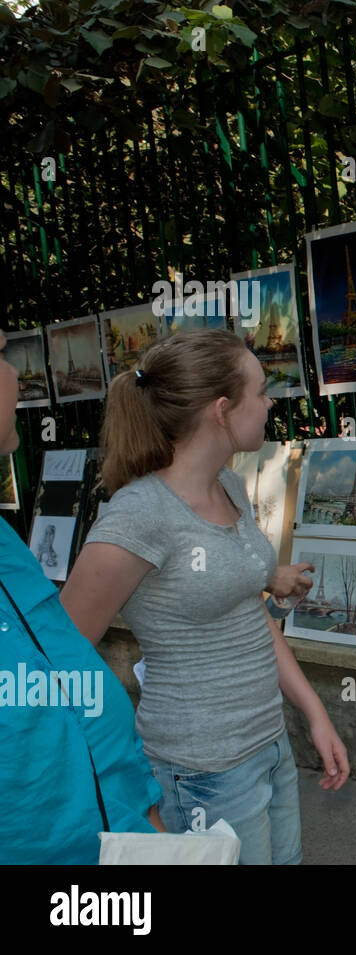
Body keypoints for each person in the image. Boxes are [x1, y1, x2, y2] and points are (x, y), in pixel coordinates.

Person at [61, 329, 349, 865]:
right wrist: (126, 780)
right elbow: (61, 659)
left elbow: (247, 618)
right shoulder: (139, 514)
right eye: (261, 392)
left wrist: (314, 714)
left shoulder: (229, 485)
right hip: (200, 770)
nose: (269, 404)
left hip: (267, 745)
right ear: (222, 409)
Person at [0, 328, 163, 863]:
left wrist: (147, 821)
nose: (13, 376)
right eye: (0, 355)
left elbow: (67, 696)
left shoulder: (9, 547)